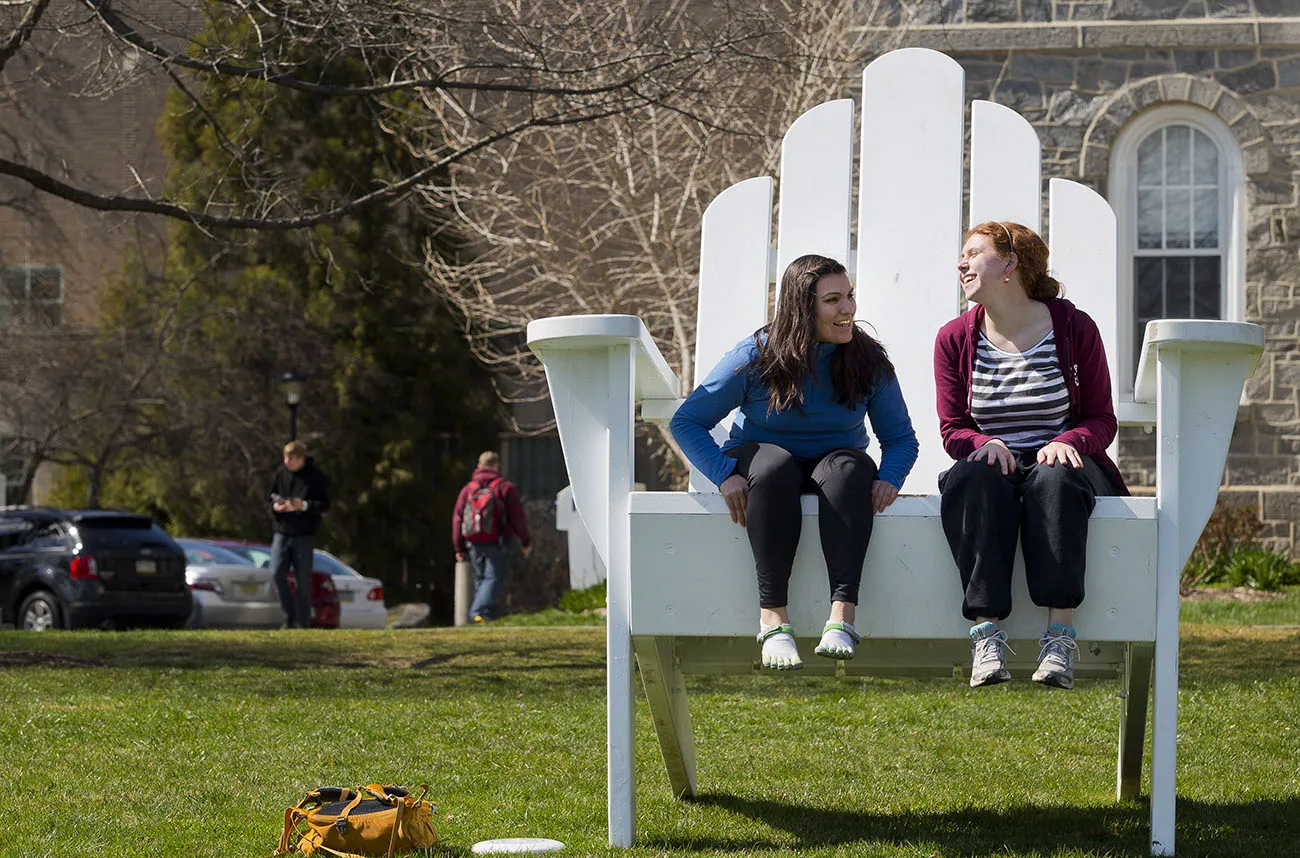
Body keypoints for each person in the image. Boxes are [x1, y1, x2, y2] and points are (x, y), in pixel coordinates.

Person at [670, 253, 919, 670]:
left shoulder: (868, 360)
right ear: (803, 307)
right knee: (773, 467)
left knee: (850, 469)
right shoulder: (755, 356)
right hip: (762, 458)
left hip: (834, 462)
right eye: (833, 300)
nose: (848, 309)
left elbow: (900, 439)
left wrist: (889, 478)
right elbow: (688, 420)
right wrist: (723, 474)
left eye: (850, 297)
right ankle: (773, 622)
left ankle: (842, 618)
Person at [934, 221, 1129, 690]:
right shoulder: (954, 339)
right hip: (995, 467)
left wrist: (1069, 441)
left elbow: (1102, 419)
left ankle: (1059, 637)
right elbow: (953, 429)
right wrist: (983, 444)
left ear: (1010, 263)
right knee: (969, 478)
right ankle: (986, 636)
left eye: (973, 253)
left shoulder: (1073, 328)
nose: (961, 263)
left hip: (1066, 464)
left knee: (1054, 477)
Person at [452, 451, 532, 622]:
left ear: (479, 466)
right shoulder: (504, 487)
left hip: (473, 541)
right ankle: (478, 611)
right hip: (498, 541)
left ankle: (483, 616)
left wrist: (458, 547)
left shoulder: (468, 489)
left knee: (481, 578)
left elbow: (458, 518)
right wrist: (525, 541)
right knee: (494, 577)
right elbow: (517, 517)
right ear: (496, 465)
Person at [268, 440, 332, 628]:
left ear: (302, 459)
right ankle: (289, 615)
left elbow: (324, 505)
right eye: (286, 458)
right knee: (276, 573)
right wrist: (275, 506)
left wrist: (302, 505)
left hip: (304, 534)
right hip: (282, 531)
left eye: (293, 459)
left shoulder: (315, 476)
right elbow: (270, 496)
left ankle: (303, 623)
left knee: (303, 580)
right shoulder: (281, 473)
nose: (288, 462)